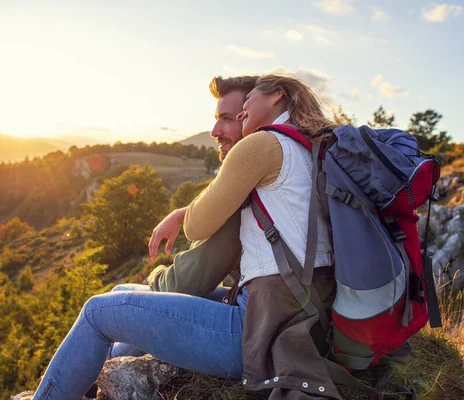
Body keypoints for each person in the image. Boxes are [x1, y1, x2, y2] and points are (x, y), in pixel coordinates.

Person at [32, 74, 340, 400]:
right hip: (302, 321)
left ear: (277, 95)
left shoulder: (263, 144)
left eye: (241, 111)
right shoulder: (308, 149)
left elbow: (197, 229)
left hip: (262, 334)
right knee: (122, 292)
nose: (241, 116)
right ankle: (100, 381)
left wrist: (182, 215)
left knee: (97, 312)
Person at [108, 76, 256, 359]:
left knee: (105, 311)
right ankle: (103, 376)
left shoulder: (241, 190)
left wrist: (154, 274)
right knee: (119, 294)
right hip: (247, 308)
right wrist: (183, 211)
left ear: (250, 119)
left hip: (247, 328)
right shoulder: (260, 174)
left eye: (226, 118)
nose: (214, 130)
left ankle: (100, 378)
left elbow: (185, 283)